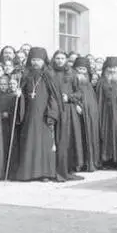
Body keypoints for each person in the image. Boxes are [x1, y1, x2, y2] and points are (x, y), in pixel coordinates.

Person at [16, 47, 59, 181]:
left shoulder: (49, 75)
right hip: (29, 115)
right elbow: (22, 93)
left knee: (44, 144)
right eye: (33, 60)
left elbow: (54, 96)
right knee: (29, 142)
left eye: (39, 60)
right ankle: (28, 173)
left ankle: (45, 173)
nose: (36, 63)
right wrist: (19, 95)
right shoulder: (26, 75)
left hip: (44, 116)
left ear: (43, 61)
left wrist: (51, 114)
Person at [51, 50, 84, 182]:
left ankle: (67, 169)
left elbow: (79, 93)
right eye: (57, 58)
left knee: (67, 140)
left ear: (66, 60)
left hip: (68, 110)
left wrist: (69, 97)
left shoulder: (72, 74)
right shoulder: (50, 73)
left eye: (62, 58)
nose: (59, 60)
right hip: (54, 109)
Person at [70, 57, 100, 172]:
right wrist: (76, 104)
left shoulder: (88, 83)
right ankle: (79, 163)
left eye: (83, 69)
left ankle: (90, 163)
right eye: (79, 69)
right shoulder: (73, 80)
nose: (81, 72)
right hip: (78, 113)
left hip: (90, 115)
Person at [0, 75, 24, 178]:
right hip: (2, 125)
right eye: (10, 84)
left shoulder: (15, 96)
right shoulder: (0, 95)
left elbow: (18, 110)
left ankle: (12, 172)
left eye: (13, 84)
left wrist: (19, 97)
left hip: (12, 125)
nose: (11, 86)